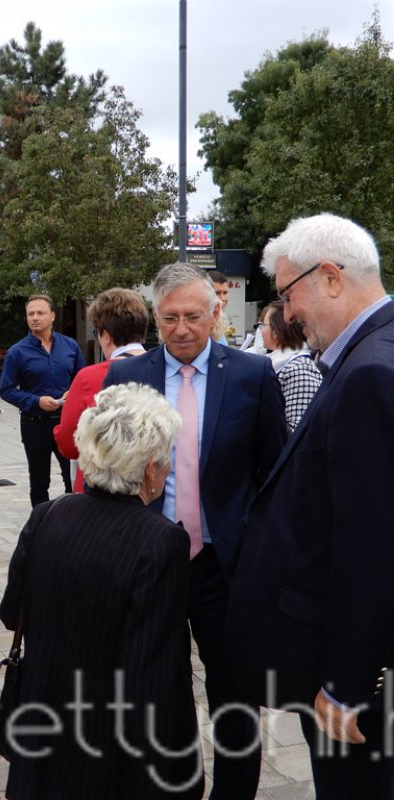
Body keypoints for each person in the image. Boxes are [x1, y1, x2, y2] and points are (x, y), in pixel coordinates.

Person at [101, 262, 288, 800]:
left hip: (222, 567)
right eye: (169, 319)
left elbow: (272, 475)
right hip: (147, 566)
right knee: (156, 690)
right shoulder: (125, 378)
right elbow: (106, 474)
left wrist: (262, 558)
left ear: (215, 313)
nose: (181, 329)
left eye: (192, 316)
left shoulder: (253, 376)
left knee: (234, 694)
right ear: (155, 318)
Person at [226, 213, 394, 799]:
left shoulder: (370, 372)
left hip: (358, 683)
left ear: (329, 278)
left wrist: (348, 686)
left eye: (286, 293)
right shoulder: (370, 354)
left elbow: (371, 548)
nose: (286, 314)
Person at [0, 383, 203, 800]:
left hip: (41, 716)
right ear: (150, 469)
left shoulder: (47, 514)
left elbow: (10, 612)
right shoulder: (160, 540)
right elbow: (153, 672)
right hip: (105, 746)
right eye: (166, 462)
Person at [53, 287, 147, 491]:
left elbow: (68, 445)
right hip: (152, 490)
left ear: (106, 335)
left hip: (99, 491)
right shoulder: (167, 371)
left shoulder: (89, 378)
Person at [0, 295, 85, 507]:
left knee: (72, 479)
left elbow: (82, 379)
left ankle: (73, 525)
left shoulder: (70, 346)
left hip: (67, 423)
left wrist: (70, 393)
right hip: (34, 424)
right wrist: (36, 401)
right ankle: (39, 528)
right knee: (39, 482)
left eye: (40, 313)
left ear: (52, 316)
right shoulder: (17, 352)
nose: (35, 318)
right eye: (31, 314)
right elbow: (6, 390)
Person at [258, 299, 321, 431]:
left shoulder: (299, 369)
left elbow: (299, 431)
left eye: (263, 326)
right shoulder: (280, 362)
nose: (260, 331)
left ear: (276, 332)